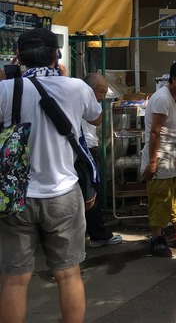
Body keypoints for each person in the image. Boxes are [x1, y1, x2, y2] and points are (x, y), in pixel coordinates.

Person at [0, 28, 102, 323]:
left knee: (14, 280)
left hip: (15, 197)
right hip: (63, 194)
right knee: (69, 275)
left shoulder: (7, 90)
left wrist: (7, 81)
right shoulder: (75, 87)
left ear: (18, 57)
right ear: (56, 54)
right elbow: (95, 117)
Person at [141, 60, 176, 258]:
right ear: (175, 79)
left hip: (173, 154)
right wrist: (153, 161)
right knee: (160, 199)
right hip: (160, 155)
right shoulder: (162, 98)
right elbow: (155, 132)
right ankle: (156, 238)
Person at [82, 73, 123, 248]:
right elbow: (98, 120)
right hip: (85, 150)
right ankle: (97, 235)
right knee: (91, 195)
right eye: (100, 91)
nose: (102, 97)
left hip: (86, 149)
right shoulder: (82, 100)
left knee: (90, 194)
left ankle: (94, 233)